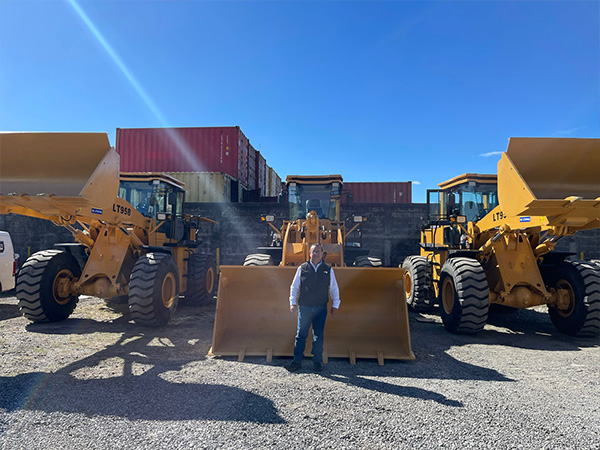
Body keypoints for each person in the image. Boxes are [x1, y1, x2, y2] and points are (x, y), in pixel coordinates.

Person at [287, 243, 340, 373]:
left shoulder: (328, 270)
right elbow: (294, 287)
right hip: (304, 307)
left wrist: (336, 304)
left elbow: (333, 288)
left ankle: (317, 361)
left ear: (322, 253)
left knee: (318, 335)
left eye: (318, 251)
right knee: (301, 334)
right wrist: (292, 302)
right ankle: (297, 360)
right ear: (309, 254)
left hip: (321, 308)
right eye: (313, 252)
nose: (315, 254)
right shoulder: (302, 268)